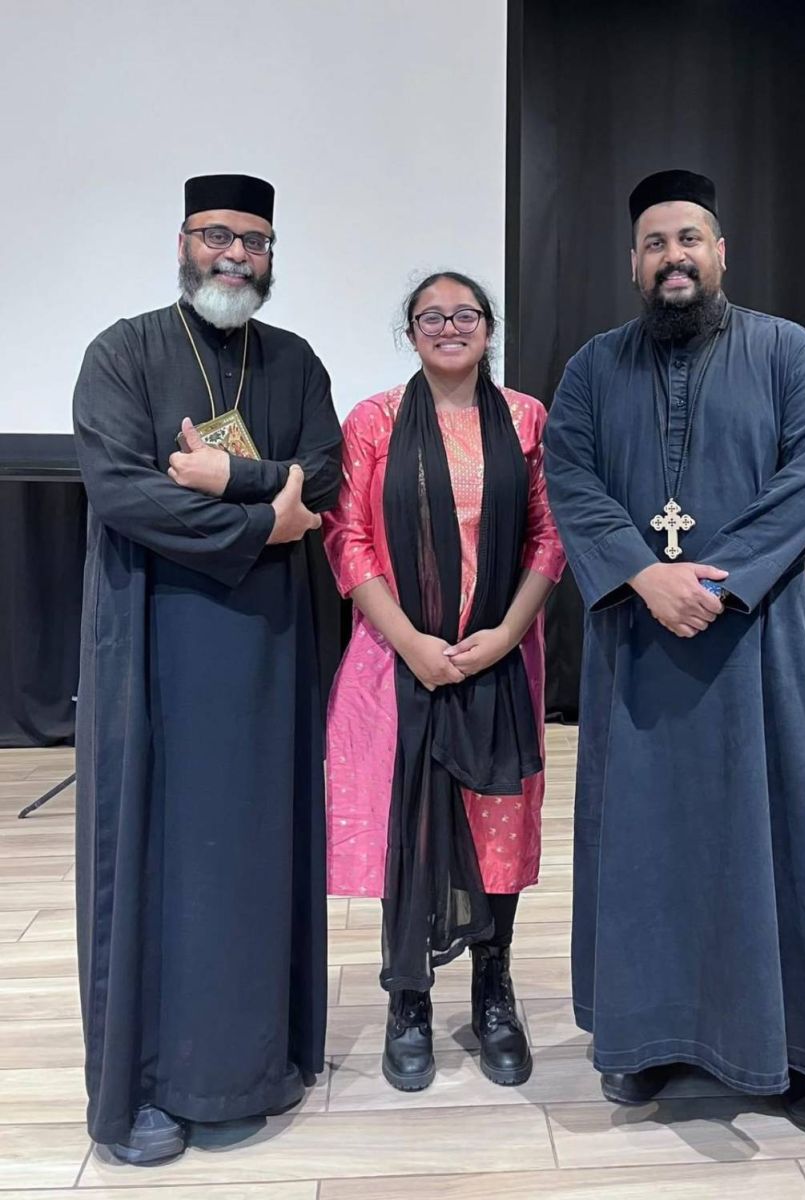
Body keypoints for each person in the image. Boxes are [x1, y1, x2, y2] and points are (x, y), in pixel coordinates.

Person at [543, 170, 805, 1135]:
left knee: (790, 838)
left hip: (768, 648)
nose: (672, 256)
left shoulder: (791, 354)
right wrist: (644, 576)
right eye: (654, 243)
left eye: (688, 238)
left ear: (720, 252)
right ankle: (647, 1040)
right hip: (643, 651)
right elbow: (570, 478)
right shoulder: (592, 370)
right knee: (646, 847)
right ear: (633, 263)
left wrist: (715, 584)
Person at [73, 173, 343, 1163]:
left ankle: (251, 1068)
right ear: (183, 242)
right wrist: (265, 521)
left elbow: (328, 474)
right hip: (154, 643)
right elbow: (119, 489)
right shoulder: (123, 352)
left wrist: (236, 477)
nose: (235, 254)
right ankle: (148, 1085)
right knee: (160, 858)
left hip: (267, 648)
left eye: (254, 241)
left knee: (256, 852)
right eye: (217, 235)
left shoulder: (295, 360)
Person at [323, 271, 565, 1091]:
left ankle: (493, 988)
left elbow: (550, 534)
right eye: (431, 317)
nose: (448, 327)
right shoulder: (373, 421)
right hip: (397, 662)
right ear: (411, 333)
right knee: (410, 827)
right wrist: (411, 642)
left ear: (488, 329)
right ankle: (409, 998)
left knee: (498, 825)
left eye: (465, 315)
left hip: (501, 660)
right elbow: (347, 538)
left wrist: (507, 634)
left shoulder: (527, 420)